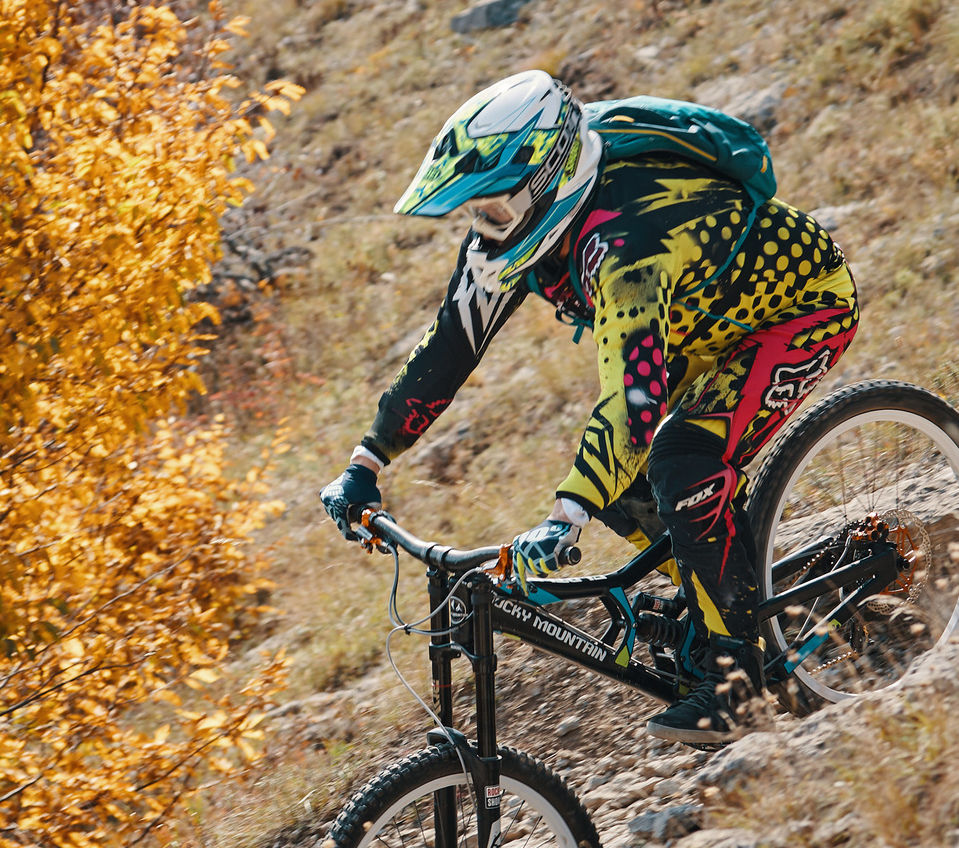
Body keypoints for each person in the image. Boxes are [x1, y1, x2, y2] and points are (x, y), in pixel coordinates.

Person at [317, 70, 859, 744]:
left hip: (794, 309)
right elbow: (450, 346)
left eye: (494, 212)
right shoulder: (523, 229)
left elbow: (633, 411)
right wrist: (367, 458)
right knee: (624, 482)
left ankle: (734, 678)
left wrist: (561, 518)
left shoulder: (626, 245)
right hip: (698, 320)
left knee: (681, 465)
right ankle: (730, 597)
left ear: (547, 186)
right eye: (475, 213)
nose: (484, 229)